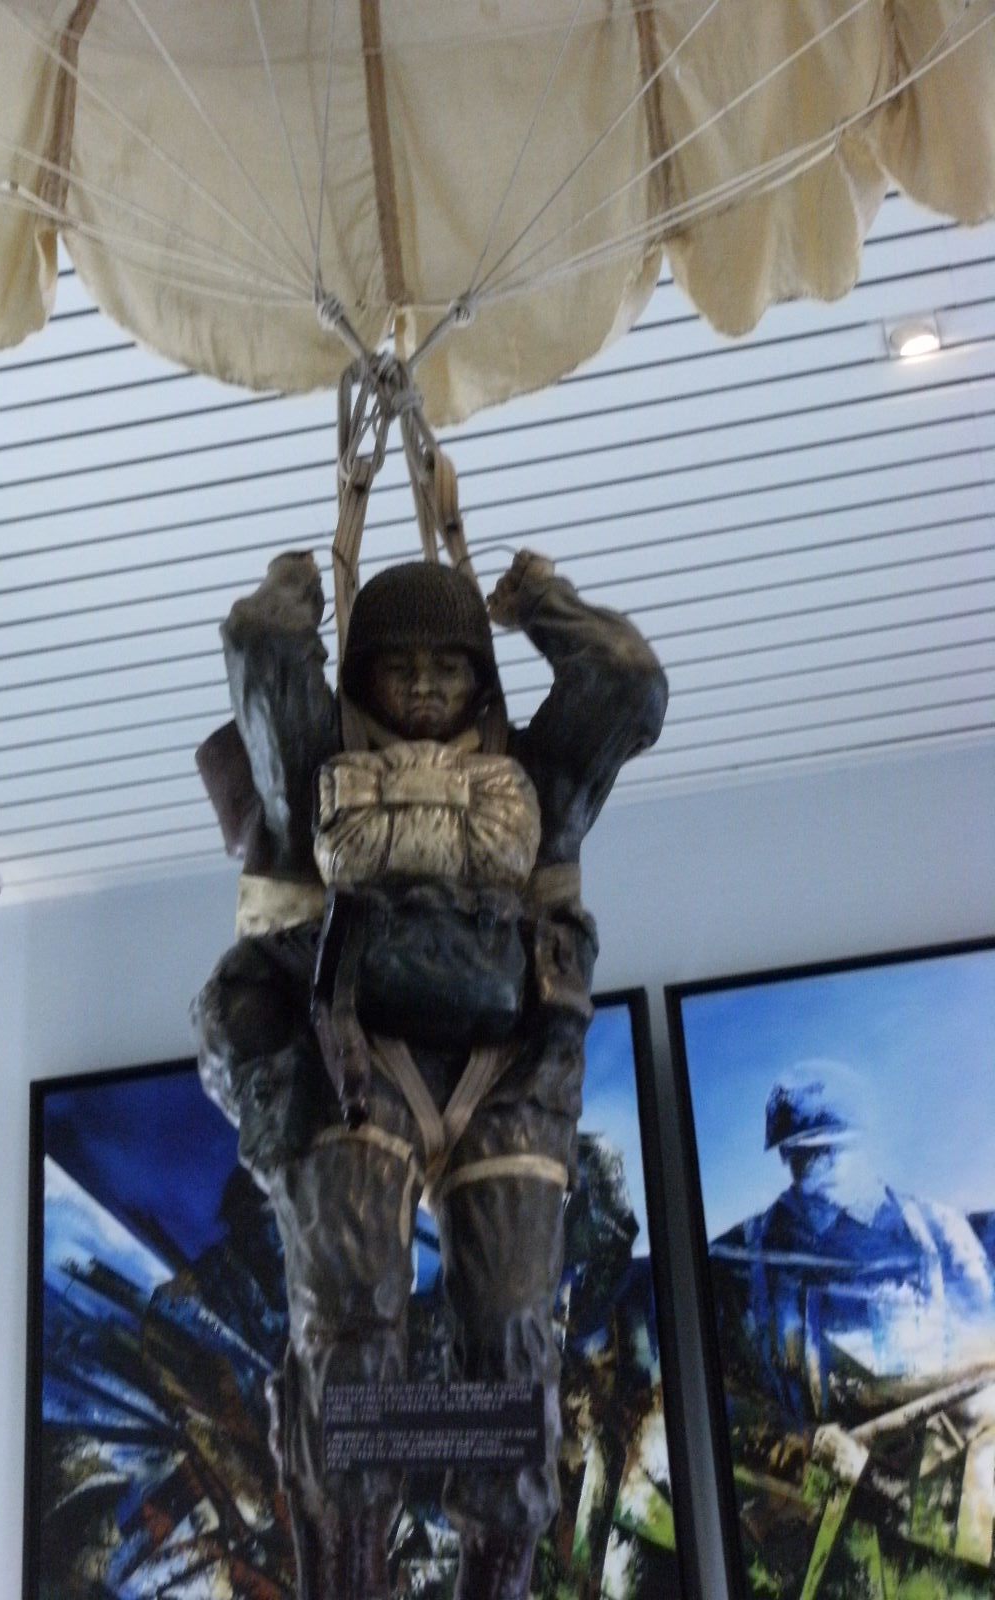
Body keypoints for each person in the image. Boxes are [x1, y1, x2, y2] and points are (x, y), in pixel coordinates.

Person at [194, 549, 666, 1599]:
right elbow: (258, 648)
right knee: (349, 1325)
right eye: (398, 665)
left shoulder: (535, 775)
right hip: (348, 1061)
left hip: (511, 1067)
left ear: (480, 677)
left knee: (512, 1331)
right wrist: (296, 590)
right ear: (360, 673)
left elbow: (628, 684)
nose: (421, 686)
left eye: (447, 666)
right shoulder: (313, 762)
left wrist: (540, 603)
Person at [711, 1059, 995, 1426]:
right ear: (784, 1154)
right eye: (805, 1151)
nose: (821, 1163)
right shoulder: (746, 1250)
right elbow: (730, 1388)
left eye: (834, 1146)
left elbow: (986, 1355)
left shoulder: (939, 1232)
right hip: (806, 1450)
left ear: (864, 1143)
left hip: (935, 1441)